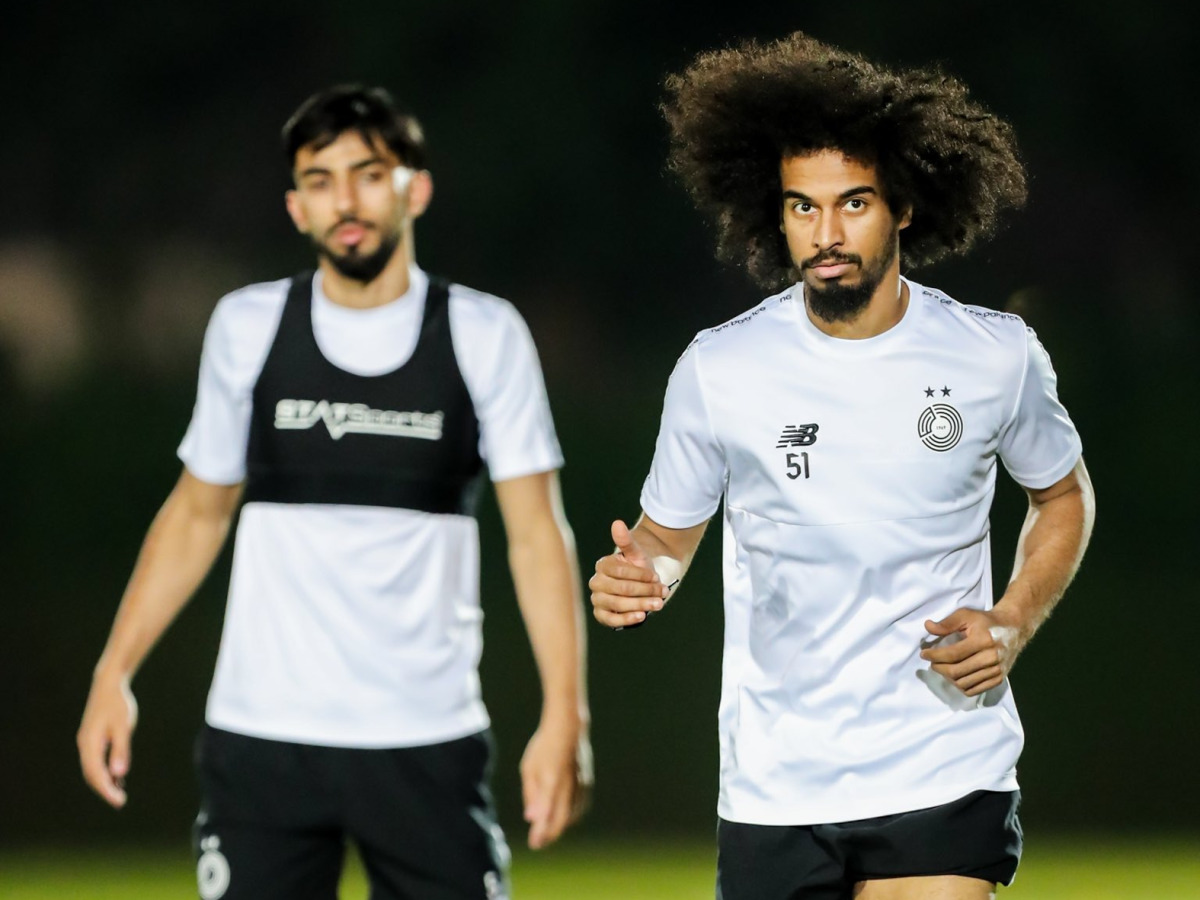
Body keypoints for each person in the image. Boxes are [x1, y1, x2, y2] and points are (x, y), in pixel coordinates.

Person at [590, 33, 1094, 900]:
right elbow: (666, 536)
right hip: (778, 780)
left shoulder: (995, 356)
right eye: (802, 208)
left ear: (902, 205)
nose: (825, 234)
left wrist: (1011, 623)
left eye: (853, 203)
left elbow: (1062, 496)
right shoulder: (720, 368)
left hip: (944, 758)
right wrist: (643, 577)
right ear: (775, 214)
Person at [77, 84, 590, 900]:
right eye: (319, 180)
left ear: (413, 188)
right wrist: (115, 672)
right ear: (295, 207)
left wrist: (566, 713)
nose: (344, 199)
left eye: (365, 173)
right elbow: (196, 514)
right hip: (263, 742)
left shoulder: (482, 334)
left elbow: (537, 535)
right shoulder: (248, 327)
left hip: (426, 738)